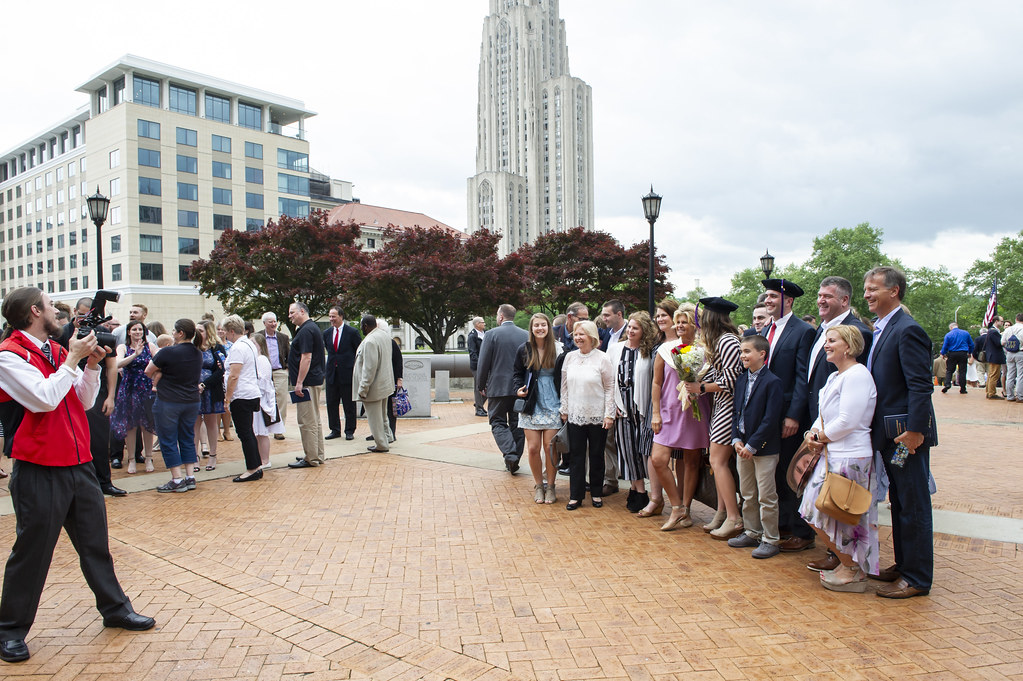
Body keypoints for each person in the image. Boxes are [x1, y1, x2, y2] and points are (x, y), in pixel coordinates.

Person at [0, 288, 155, 664]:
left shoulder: (55, 351)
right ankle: (9, 630)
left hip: (78, 463)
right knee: (33, 552)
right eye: (50, 306)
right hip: (39, 468)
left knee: (95, 544)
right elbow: (44, 399)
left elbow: (82, 401)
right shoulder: (8, 355)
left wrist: (90, 366)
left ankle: (115, 608)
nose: (56, 311)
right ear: (35, 311)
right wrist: (72, 358)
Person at [863, 266, 936, 598]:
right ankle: (905, 564)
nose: (867, 294)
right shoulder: (883, 328)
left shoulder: (907, 330)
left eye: (873, 288)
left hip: (905, 438)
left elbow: (920, 387)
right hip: (890, 436)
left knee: (913, 502)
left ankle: (917, 577)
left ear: (894, 291)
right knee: (900, 500)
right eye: (865, 288)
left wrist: (915, 431)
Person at [798, 325, 879, 591]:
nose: (826, 344)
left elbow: (848, 420)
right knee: (812, 509)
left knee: (842, 515)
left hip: (850, 455)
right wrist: (812, 432)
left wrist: (820, 437)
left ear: (849, 345)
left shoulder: (857, 375)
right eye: (826, 340)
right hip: (832, 454)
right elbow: (826, 416)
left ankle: (853, 569)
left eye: (832, 340)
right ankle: (848, 563)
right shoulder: (835, 377)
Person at [760, 278, 816, 553]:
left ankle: (801, 531)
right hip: (767, 413)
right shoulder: (765, 329)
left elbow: (802, 377)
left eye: (773, 296)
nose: (768, 300)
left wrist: (794, 415)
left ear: (789, 300)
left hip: (788, 414)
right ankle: (781, 523)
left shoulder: (803, 331)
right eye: (766, 296)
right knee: (775, 470)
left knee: (793, 471)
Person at [685, 297, 744, 538]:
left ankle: (734, 517)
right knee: (718, 462)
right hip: (720, 406)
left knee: (718, 461)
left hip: (729, 407)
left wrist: (701, 388)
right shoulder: (720, 341)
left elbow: (731, 381)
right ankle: (721, 512)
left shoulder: (728, 342)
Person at [650, 303, 712, 531]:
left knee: (692, 462)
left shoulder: (706, 351)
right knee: (658, 459)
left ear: (695, 324)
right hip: (668, 411)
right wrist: (655, 412)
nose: (679, 325)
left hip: (694, 412)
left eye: (684, 321)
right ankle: (676, 506)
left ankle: (686, 510)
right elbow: (657, 382)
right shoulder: (666, 350)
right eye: (677, 321)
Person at [54, 297, 125, 496]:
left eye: (90, 315)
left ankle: (104, 482)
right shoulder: (62, 333)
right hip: (66, 391)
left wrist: (111, 396)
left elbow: (111, 366)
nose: (85, 319)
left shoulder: (102, 333)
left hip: (97, 390)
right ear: (75, 312)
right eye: (82, 314)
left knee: (100, 439)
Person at [726, 334, 784, 559]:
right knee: (748, 493)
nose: (743, 356)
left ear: (762, 354)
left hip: (764, 449)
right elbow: (735, 412)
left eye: (747, 352)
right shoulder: (741, 380)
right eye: (741, 352)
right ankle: (752, 531)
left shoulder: (773, 382)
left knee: (766, 495)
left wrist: (753, 445)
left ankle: (771, 538)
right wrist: (736, 439)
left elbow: (771, 419)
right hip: (742, 446)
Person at [559, 320, 615, 510]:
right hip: (575, 414)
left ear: (591, 337)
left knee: (597, 455)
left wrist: (609, 414)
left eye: (581, 334)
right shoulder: (570, 357)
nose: (578, 338)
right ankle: (576, 495)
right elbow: (564, 386)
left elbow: (609, 387)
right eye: (575, 334)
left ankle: (597, 493)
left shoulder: (603, 358)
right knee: (576, 456)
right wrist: (564, 410)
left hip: (598, 414)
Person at [145, 319, 203, 493]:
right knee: (187, 437)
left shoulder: (167, 352)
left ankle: (177, 478)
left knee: (168, 438)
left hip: (169, 401)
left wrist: (161, 372)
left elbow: (148, 371)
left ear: (180, 333)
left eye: (174, 331)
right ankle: (190, 476)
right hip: (191, 401)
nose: (172, 333)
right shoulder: (197, 352)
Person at [513, 312, 566, 504]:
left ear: (548, 327)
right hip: (532, 403)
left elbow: (565, 377)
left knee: (550, 447)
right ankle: (538, 485)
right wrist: (517, 389)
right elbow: (517, 373)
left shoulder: (559, 349)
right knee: (534, 448)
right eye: (536, 325)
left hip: (553, 401)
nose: (540, 328)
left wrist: (565, 404)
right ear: (531, 328)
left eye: (543, 325)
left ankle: (550, 485)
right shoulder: (524, 349)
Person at [606, 311, 656, 512]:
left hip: (642, 406)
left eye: (636, 328)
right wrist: (612, 406)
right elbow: (609, 381)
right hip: (622, 407)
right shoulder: (616, 349)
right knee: (627, 450)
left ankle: (640, 490)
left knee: (643, 450)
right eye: (630, 327)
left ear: (644, 331)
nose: (631, 331)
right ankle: (639, 490)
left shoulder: (649, 351)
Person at [637, 298, 680, 517]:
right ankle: (656, 498)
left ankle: (681, 504)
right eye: (658, 315)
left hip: (678, 404)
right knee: (650, 452)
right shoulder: (654, 342)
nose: (660, 319)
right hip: (654, 403)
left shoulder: (685, 343)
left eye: (665, 315)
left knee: (679, 457)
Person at [476, 304, 529, 473]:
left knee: (497, 421)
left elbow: (483, 362)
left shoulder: (491, 334)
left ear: (500, 317)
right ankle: (514, 458)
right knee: (517, 423)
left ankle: (510, 454)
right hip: (520, 387)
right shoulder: (526, 335)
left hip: (497, 387)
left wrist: (481, 385)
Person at [110, 320, 158, 474]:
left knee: (147, 425)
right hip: (129, 389)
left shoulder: (150, 346)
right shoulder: (123, 347)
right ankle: (131, 459)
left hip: (146, 389)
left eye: (140, 329)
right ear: (129, 332)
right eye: (134, 329)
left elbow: (160, 362)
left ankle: (148, 457)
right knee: (131, 426)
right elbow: (118, 364)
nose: (137, 332)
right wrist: (135, 355)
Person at [222, 315, 263, 482]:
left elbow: (234, 375)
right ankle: (256, 465)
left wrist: (227, 398)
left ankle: (253, 468)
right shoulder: (249, 343)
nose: (224, 335)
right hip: (250, 392)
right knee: (248, 432)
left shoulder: (239, 347)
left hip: (242, 395)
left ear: (232, 331)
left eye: (225, 332)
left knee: (245, 432)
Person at [286, 301, 326, 468]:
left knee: (307, 420)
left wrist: (299, 382)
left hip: (307, 383)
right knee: (314, 419)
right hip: (313, 381)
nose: (290, 316)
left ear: (302, 311)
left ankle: (311, 457)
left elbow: (306, 357)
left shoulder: (306, 331)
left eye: (292, 312)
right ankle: (316, 454)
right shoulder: (311, 328)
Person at [353, 315, 395, 452]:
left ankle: (381, 444)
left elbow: (369, 369)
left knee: (375, 419)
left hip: (373, 388)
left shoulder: (370, 341)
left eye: (361, 326)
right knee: (383, 416)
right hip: (384, 385)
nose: (361, 329)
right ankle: (387, 437)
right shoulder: (383, 336)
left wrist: (363, 389)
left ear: (365, 326)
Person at [599, 299, 628, 496]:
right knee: (608, 439)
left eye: (607, 315)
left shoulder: (630, 333)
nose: (604, 318)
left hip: (626, 399)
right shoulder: (607, 335)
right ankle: (611, 478)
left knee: (625, 441)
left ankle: (635, 483)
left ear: (619, 314)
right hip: (608, 396)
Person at [323, 306, 361, 441]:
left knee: (349, 404)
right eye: (330, 316)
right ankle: (335, 430)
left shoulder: (352, 332)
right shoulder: (327, 333)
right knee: (331, 403)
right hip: (332, 374)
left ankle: (349, 430)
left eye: (333, 316)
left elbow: (358, 351)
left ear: (341, 316)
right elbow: (329, 350)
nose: (331, 319)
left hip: (347, 374)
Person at [194, 320, 227, 470]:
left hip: (211, 390)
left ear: (208, 332)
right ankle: (194, 458)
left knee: (211, 423)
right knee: (194, 424)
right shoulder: (192, 347)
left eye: (201, 330)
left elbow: (221, 370)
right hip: (192, 390)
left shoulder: (217, 348)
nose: (198, 333)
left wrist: (204, 384)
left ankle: (212, 456)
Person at [254, 311, 290, 441]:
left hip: (279, 371)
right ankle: (262, 427)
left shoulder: (283, 337)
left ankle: (279, 429)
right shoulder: (257, 337)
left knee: (281, 400)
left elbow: (288, 354)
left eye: (275, 321)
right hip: (262, 372)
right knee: (262, 399)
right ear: (264, 323)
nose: (273, 324)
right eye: (270, 322)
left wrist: (286, 369)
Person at [250, 333, 284, 468]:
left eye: (254, 342)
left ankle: (265, 460)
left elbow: (263, 380)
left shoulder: (262, 359)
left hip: (262, 400)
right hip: (257, 398)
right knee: (257, 432)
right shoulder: (255, 359)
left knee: (262, 432)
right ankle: (259, 458)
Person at [939, 322, 974, 394]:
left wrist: (943, 353)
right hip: (963, 353)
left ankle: (947, 384)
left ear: (951, 327)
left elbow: (945, 346)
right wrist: (970, 352)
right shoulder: (965, 333)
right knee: (962, 371)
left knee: (949, 370)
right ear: (957, 326)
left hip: (952, 353)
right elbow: (971, 344)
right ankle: (962, 388)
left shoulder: (948, 335)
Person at [468, 316, 488, 416]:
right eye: (482, 322)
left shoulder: (486, 333)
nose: (484, 324)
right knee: (478, 386)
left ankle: (479, 404)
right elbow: (472, 353)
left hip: (487, 365)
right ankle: (479, 409)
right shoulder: (472, 336)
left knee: (489, 386)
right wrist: (480, 363)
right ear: (477, 324)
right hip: (477, 366)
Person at [983, 316, 1006, 399]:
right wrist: (1003, 339)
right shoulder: (994, 332)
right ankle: (991, 393)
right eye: (1001, 321)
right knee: (994, 375)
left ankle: (989, 391)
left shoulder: (991, 331)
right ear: (996, 321)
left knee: (991, 374)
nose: (1002, 323)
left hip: (992, 355)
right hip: (995, 356)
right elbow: (998, 343)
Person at [387, 334, 404, 441]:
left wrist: (399, 379)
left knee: (391, 409)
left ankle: (391, 433)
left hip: (391, 381)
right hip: (380, 382)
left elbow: (398, 361)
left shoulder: (392, 343)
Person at [1002, 313, 1023, 401]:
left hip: (1009, 353)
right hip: (1020, 352)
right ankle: (1020, 396)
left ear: (1016, 319)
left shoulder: (1008, 329)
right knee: (1020, 375)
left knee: (1010, 375)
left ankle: (1010, 396)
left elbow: (1002, 342)